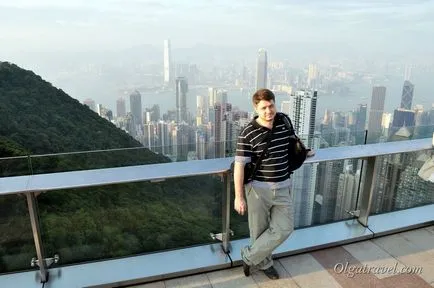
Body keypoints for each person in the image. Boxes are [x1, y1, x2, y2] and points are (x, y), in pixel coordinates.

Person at [233, 88, 297, 280]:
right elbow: (239, 167)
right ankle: (265, 263)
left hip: (283, 186)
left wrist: (304, 151)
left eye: (271, 106)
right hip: (258, 190)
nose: (268, 111)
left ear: (275, 103)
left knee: (285, 227)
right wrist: (239, 197)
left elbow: (292, 142)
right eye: (263, 108)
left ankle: (249, 256)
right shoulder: (247, 133)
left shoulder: (283, 121)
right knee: (258, 231)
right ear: (256, 108)